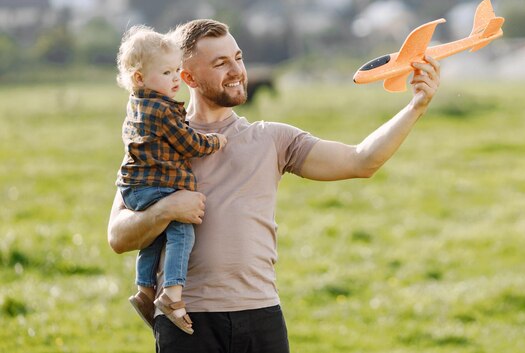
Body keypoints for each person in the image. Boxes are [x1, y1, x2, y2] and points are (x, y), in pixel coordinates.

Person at [108, 19, 441, 352]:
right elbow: (118, 236)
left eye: (238, 58)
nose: (237, 70)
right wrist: (165, 210)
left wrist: (416, 107)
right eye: (221, 63)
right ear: (187, 77)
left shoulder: (273, 138)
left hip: (261, 316)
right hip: (187, 321)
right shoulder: (154, 142)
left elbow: (360, 160)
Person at [115, 25, 227, 335]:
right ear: (139, 78)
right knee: (182, 232)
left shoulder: (135, 104)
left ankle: (144, 290)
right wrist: (215, 142)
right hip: (156, 185)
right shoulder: (163, 110)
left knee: (153, 237)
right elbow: (189, 143)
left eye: (177, 70)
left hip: (133, 188)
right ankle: (172, 296)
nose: (175, 78)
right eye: (166, 73)